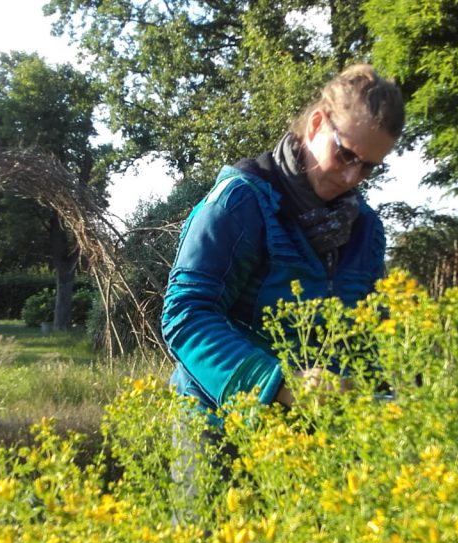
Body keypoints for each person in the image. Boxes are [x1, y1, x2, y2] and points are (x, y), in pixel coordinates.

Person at [162, 65, 404, 486]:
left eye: (368, 168)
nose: (352, 177)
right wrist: (276, 386)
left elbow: (369, 331)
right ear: (316, 124)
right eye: (346, 155)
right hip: (221, 428)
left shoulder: (367, 228)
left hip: (319, 436)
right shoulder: (240, 201)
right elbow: (186, 315)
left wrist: (382, 400)